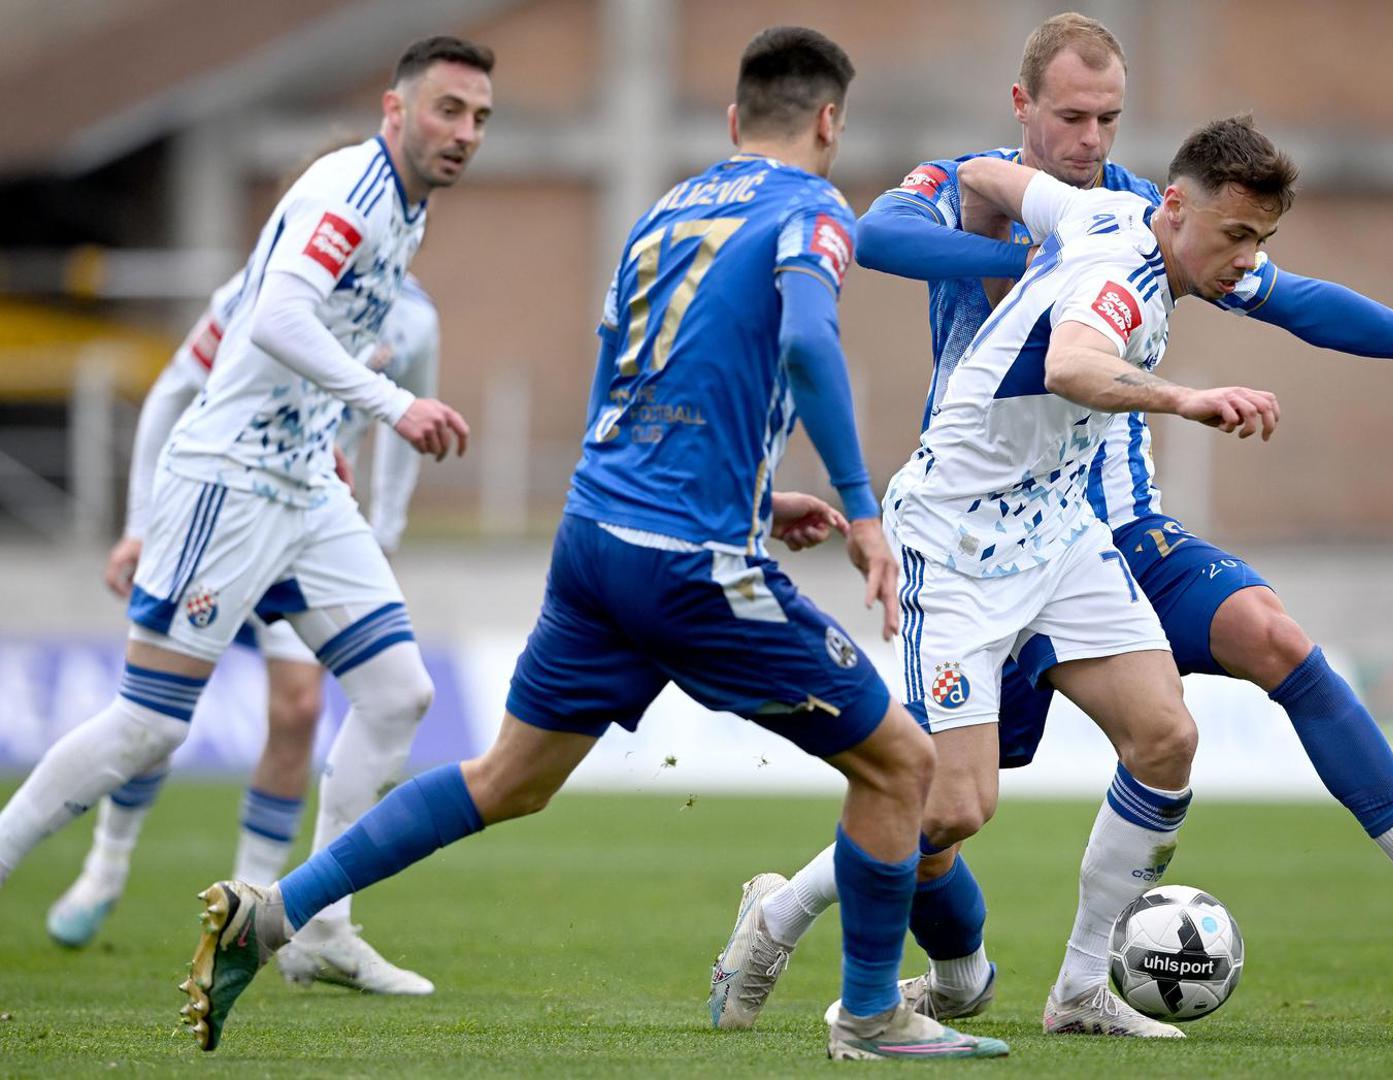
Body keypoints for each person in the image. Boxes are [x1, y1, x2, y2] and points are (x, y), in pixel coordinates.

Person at [716, 14, 1393, 1036]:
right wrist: (1059, 274)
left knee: (1189, 713)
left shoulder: (1141, 213)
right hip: (965, 531)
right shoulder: (1047, 214)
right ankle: (794, 918)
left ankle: (1099, 985)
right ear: (1023, 106)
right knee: (948, 811)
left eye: (1109, 118)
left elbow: (1296, 299)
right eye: (1071, 116)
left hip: (1089, 526)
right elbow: (899, 243)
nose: (1090, 138)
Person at [175, 26, 1007, 1062]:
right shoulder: (812, 210)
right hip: (688, 565)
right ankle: (873, 1014)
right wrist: (859, 508)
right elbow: (804, 339)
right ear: (830, 121)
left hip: (594, 539)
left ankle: (274, 911)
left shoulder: (668, 209)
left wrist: (756, 502)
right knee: (900, 765)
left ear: (734, 119)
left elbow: (633, 377)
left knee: (507, 780)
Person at [0, 33, 486, 994]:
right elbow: (275, 318)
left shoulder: (407, 212)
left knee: (398, 694)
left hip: (305, 485)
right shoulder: (350, 190)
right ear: (395, 110)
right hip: (226, 481)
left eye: (479, 117)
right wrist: (392, 404)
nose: (465, 132)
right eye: (447, 109)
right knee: (148, 728)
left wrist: (347, 441)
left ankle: (317, 926)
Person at [46, 271, 440, 998]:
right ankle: (105, 865)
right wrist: (139, 523)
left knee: (299, 709)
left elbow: (410, 425)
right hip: (216, 514)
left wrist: (382, 532)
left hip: (310, 527)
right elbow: (174, 390)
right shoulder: (271, 288)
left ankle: (249, 909)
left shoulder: (413, 317)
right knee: (155, 718)